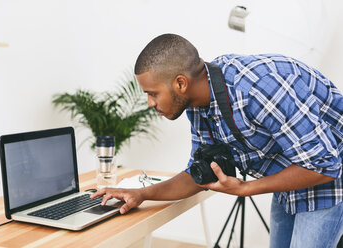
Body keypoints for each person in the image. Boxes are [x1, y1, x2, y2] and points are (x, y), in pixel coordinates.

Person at [91, 34, 343, 248]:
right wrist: (141, 194)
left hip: (329, 177)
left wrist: (245, 188)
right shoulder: (198, 103)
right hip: (293, 177)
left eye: (152, 93)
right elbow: (199, 174)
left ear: (180, 83)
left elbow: (324, 164)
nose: (150, 103)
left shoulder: (256, 89)